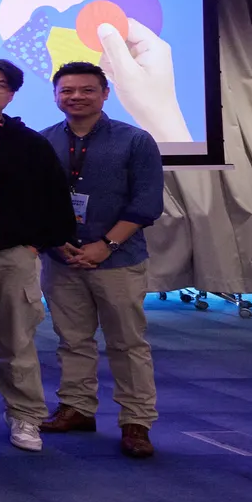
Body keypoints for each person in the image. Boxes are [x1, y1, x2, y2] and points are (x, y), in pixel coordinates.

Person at [39, 61, 165, 459]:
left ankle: (136, 421)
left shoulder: (135, 140)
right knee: (72, 340)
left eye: (86, 90)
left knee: (127, 344)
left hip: (118, 259)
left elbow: (147, 203)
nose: (76, 97)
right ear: (56, 95)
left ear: (104, 93)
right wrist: (57, 243)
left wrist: (105, 245)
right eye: (67, 91)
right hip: (62, 258)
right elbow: (35, 201)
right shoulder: (44, 142)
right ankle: (77, 408)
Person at [0, 57, 77, 453]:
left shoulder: (30, 144)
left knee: (17, 344)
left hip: (11, 257)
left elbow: (56, 203)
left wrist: (32, 245)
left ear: (11, 94)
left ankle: (25, 417)